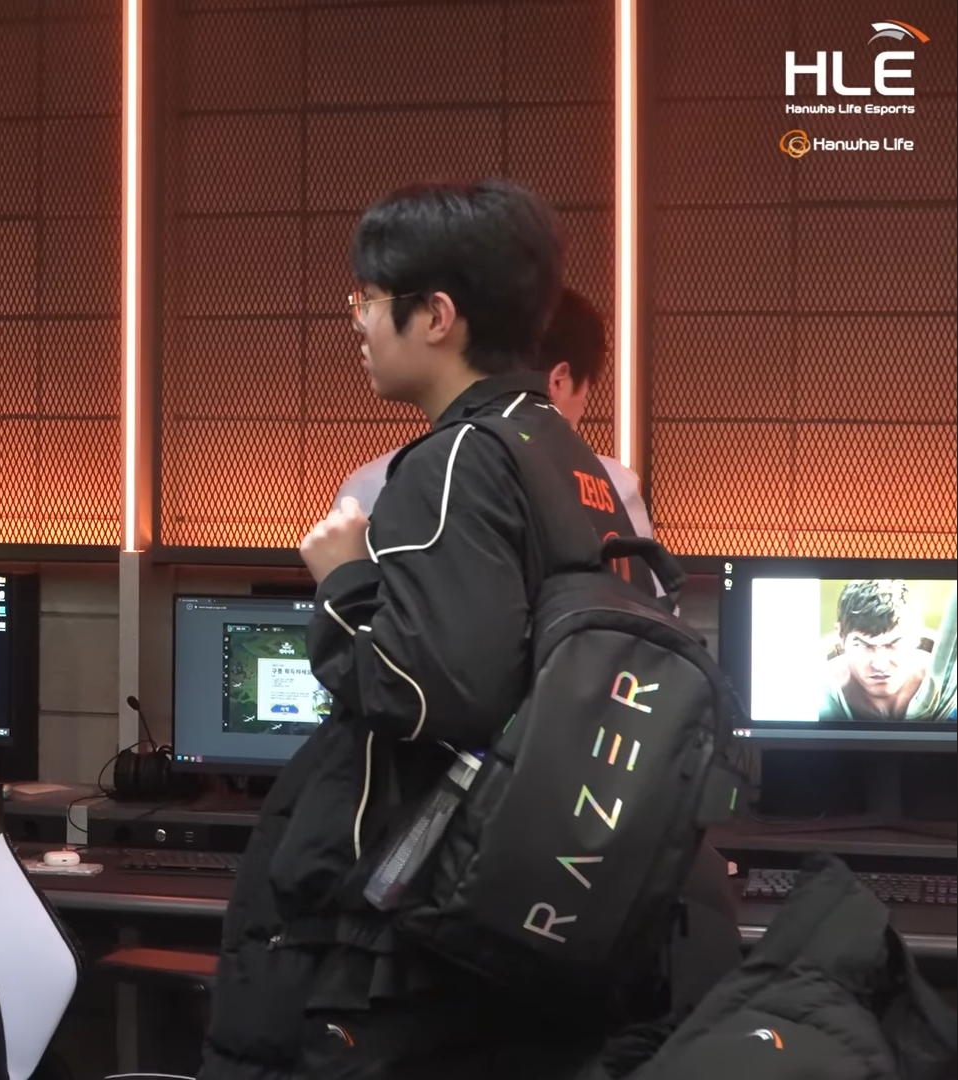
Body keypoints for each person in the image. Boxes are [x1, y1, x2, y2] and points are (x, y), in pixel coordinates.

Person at [200, 179, 661, 1080]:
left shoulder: (453, 461)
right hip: (519, 909)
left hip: (411, 928)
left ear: (437, 316)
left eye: (368, 301)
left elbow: (430, 692)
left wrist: (344, 580)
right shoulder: (572, 461)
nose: (358, 324)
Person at [335, 287, 651, 541]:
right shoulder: (613, 484)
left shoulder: (368, 486)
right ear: (559, 380)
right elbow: (645, 598)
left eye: (371, 302)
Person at [819, 580, 956, 721]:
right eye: (863, 645)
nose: (880, 665)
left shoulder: (953, 684)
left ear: (917, 635)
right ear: (841, 636)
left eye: (894, 643)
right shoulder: (815, 693)